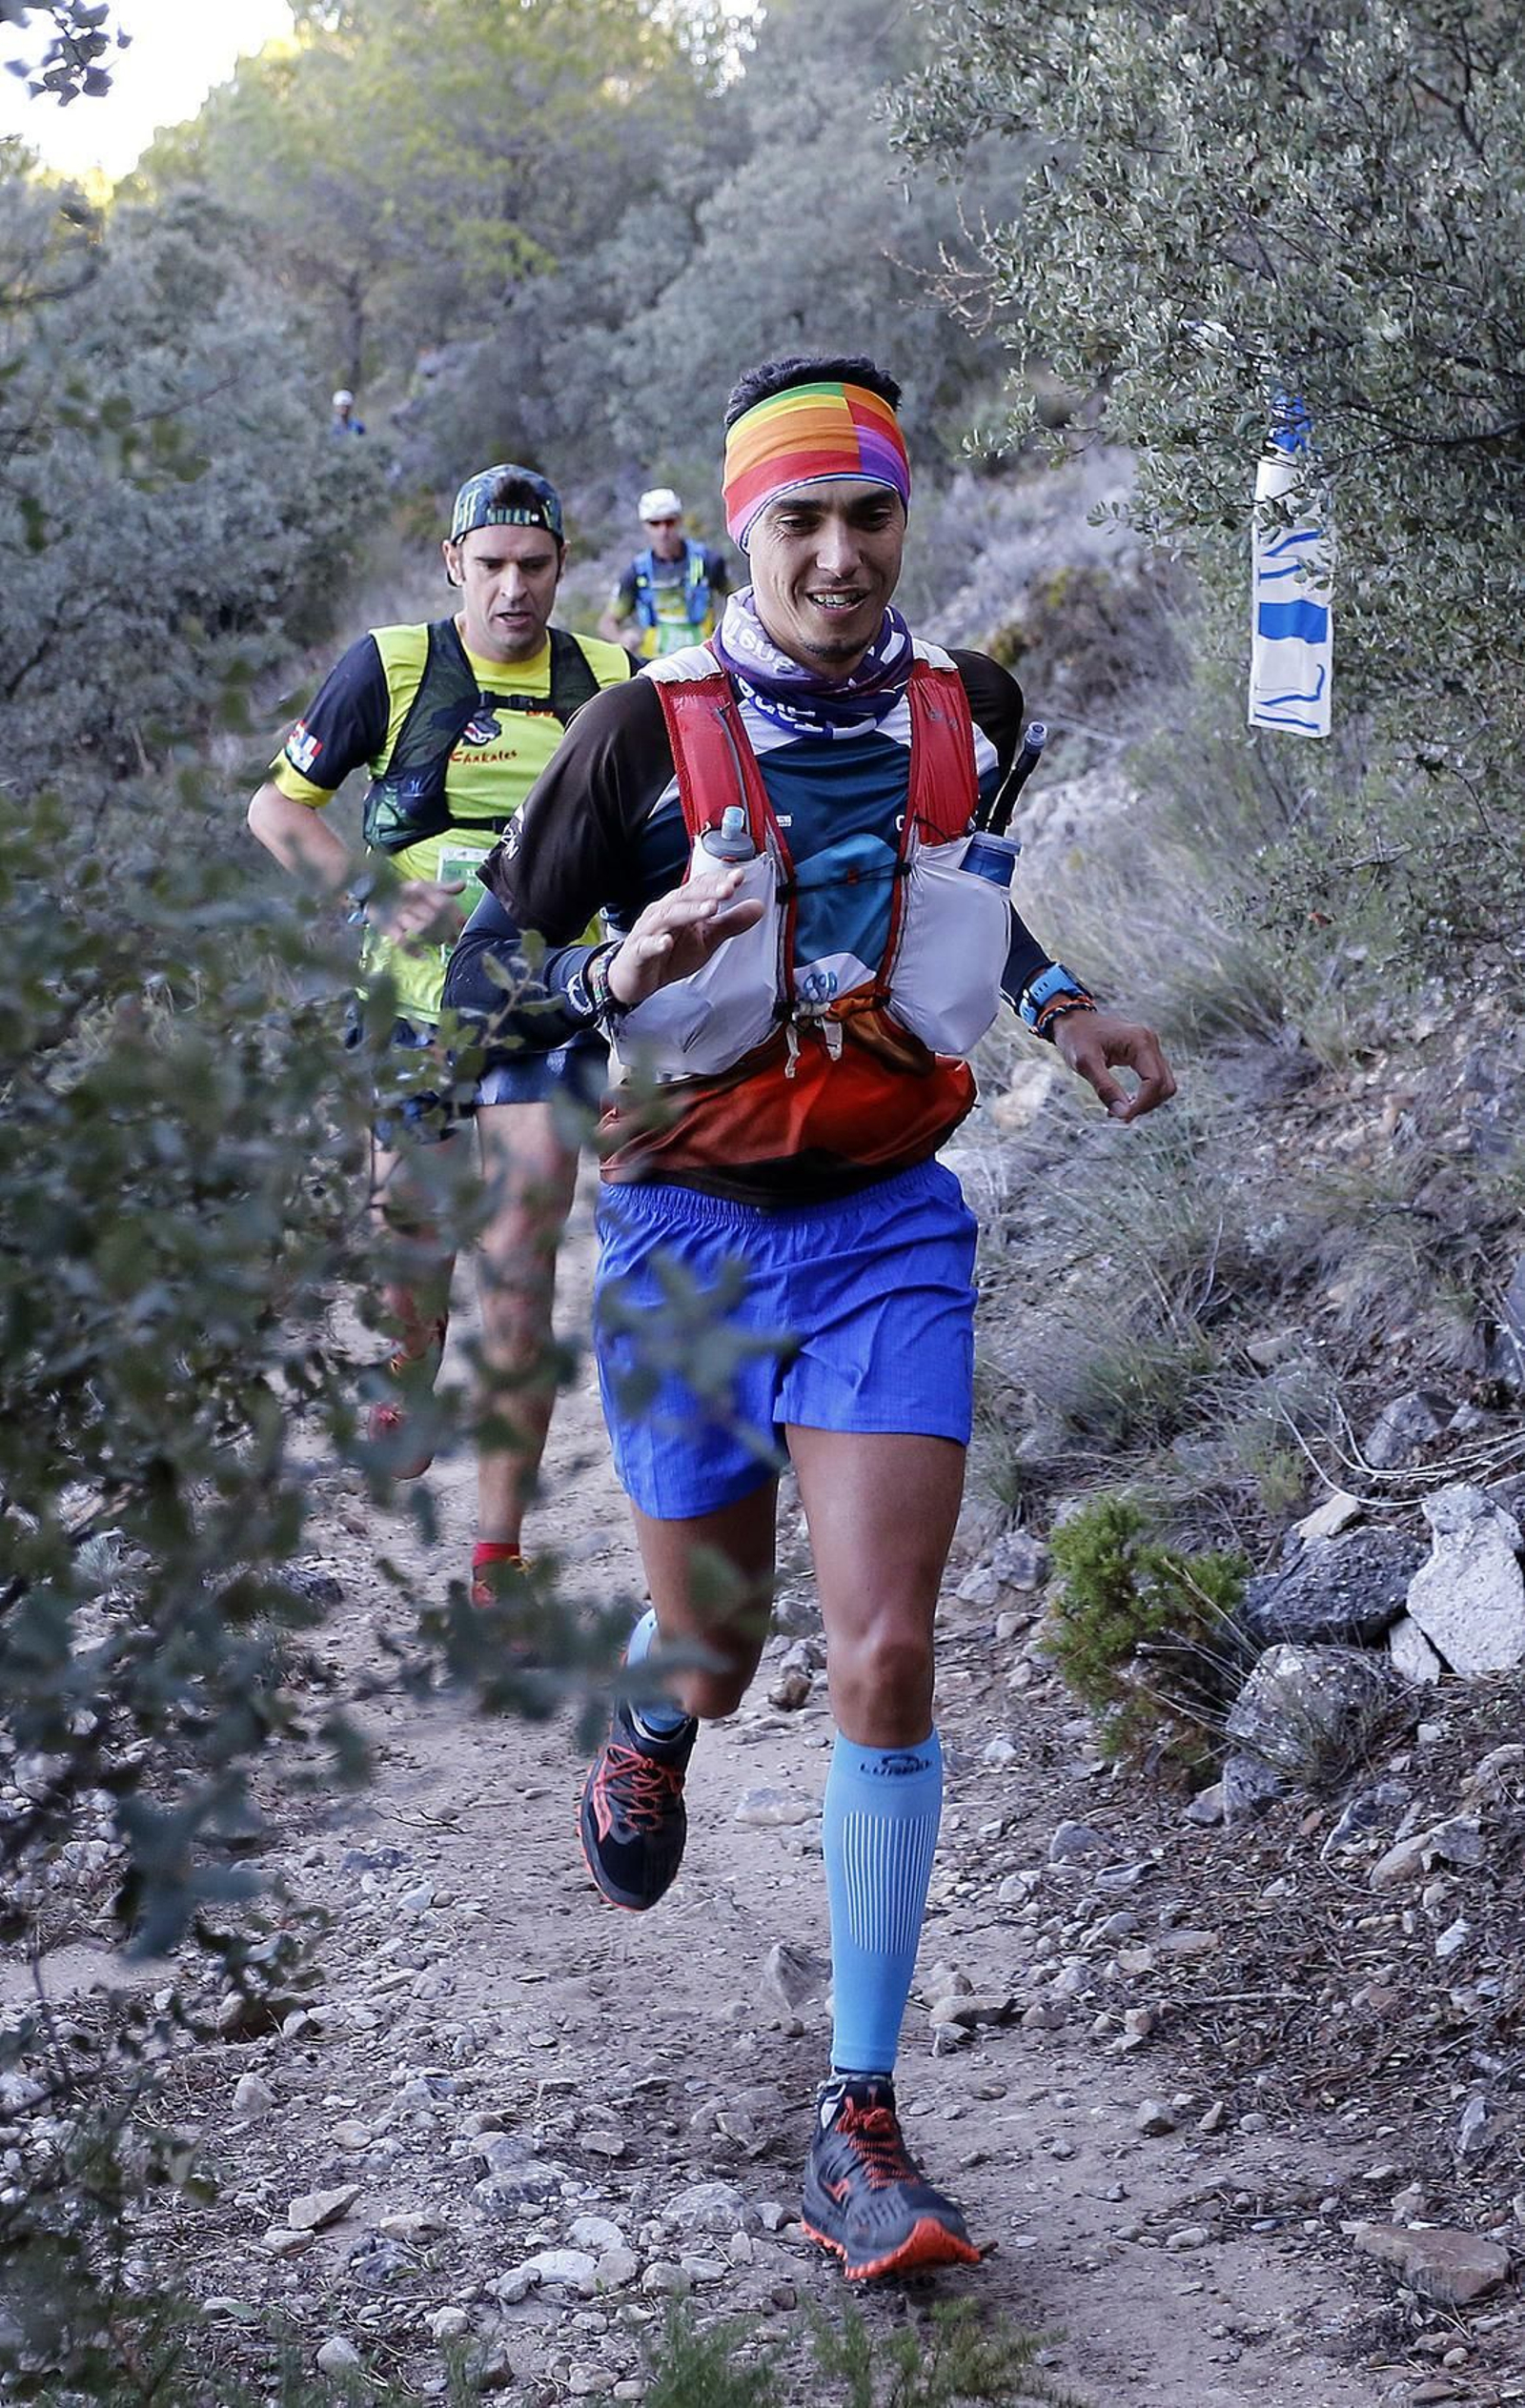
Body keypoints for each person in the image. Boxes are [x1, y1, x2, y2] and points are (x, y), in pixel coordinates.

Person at [445, 358, 1175, 2280]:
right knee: (716, 1628)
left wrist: (1062, 1002)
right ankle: (651, 1713)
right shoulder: (629, 742)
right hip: (683, 1228)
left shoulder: (972, 711)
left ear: (901, 524)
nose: (839, 558)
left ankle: (856, 2120)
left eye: (869, 518)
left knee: (883, 1645)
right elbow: (483, 986)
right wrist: (626, 956)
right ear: (733, 533)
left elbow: (946, 904)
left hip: (878, 1223)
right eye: (799, 524)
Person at [248, 464, 630, 1609]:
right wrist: (375, 891)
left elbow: (654, 842)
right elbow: (278, 809)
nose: (514, 588)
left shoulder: (608, 682)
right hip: (412, 1009)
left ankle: (495, 1560)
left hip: (542, 1009)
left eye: (536, 565)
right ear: (455, 564)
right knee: (412, 1245)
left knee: (518, 1272)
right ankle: (408, 1376)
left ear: (563, 570)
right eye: (494, 564)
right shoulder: (390, 666)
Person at [598, 485, 730, 659]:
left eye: (669, 522)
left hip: (703, 661)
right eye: (655, 523)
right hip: (655, 666)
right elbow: (607, 623)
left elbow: (738, 600)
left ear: (679, 521)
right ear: (645, 526)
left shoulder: (708, 562)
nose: (663, 531)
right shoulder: (636, 572)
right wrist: (622, 638)